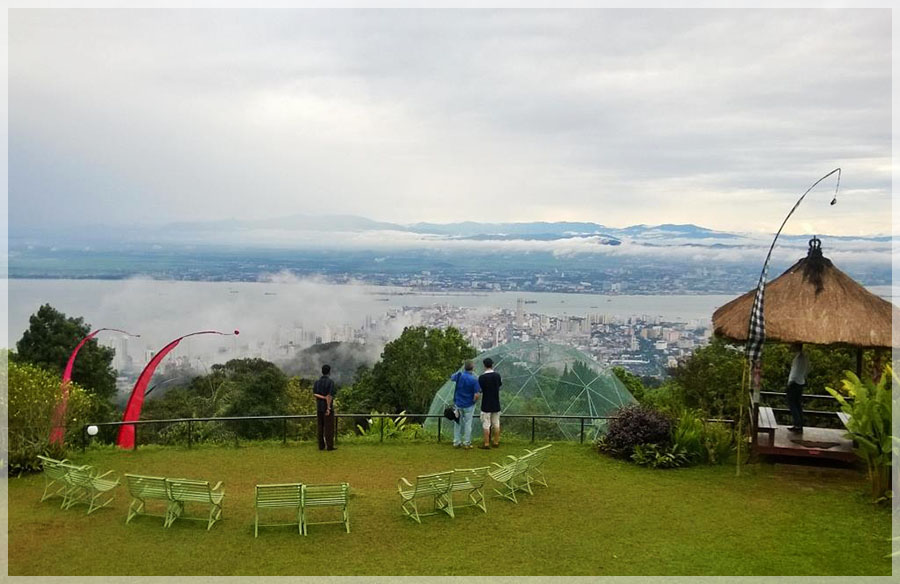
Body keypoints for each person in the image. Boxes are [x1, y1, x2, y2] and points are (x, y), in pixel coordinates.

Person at [450, 360, 481, 449]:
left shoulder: (459, 376)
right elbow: (476, 394)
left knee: (457, 423)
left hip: (458, 403)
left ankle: (456, 442)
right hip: (469, 405)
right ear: (472, 368)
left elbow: (452, 377)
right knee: (468, 424)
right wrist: (474, 401)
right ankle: (466, 442)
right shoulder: (474, 380)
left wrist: (459, 371)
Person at [477, 357, 502, 449]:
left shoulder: (482, 377)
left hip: (486, 403)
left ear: (484, 365)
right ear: (492, 364)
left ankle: (486, 443)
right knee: (496, 423)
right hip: (496, 402)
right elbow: (499, 385)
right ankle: (496, 442)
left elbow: (480, 390)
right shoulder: (497, 376)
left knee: (486, 424)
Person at [786, 343, 809, 433]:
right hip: (800, 382)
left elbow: (794, 372)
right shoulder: (804, 358)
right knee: (797, 404)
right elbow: (806, 370)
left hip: (794, 383)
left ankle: (797, 424)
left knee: (792, 404)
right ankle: (799, 424)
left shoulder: (799, 358)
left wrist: (790, 382)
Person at [313, 364, 337, 450]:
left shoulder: (317, 382)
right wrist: (328, 408)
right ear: (329, 372)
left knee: (320, 426)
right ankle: (329, 446)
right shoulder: (330, 382)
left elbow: (315, 394)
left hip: (319, 407)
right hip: (326, 407)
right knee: (328, 427)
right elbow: (329, 396)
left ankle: (321, 445)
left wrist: (322, 397)